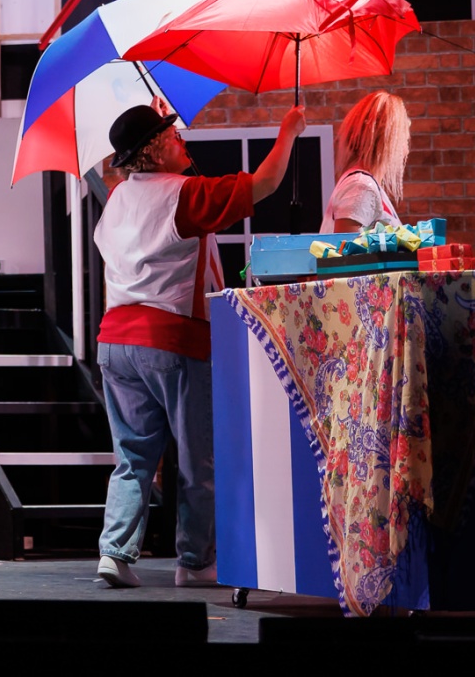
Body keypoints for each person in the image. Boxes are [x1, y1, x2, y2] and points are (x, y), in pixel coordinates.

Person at [92, 97, 305, 589]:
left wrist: (154, 123)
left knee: (133, 457)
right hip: (171, 340)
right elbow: (265, 183)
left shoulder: (118, 197)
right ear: (154, 150)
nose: (182, 141)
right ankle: (194, 560)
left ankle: (114, 552)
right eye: (173, 137)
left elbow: (139, 188)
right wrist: (289, 131)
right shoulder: (185, 196)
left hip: (115, 342)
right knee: (197, 458)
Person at [321, 91, 411, 233]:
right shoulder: (360, 186)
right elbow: (346, 246)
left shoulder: (363, 183)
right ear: (388, 140)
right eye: (404, 136)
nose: (406, 147)